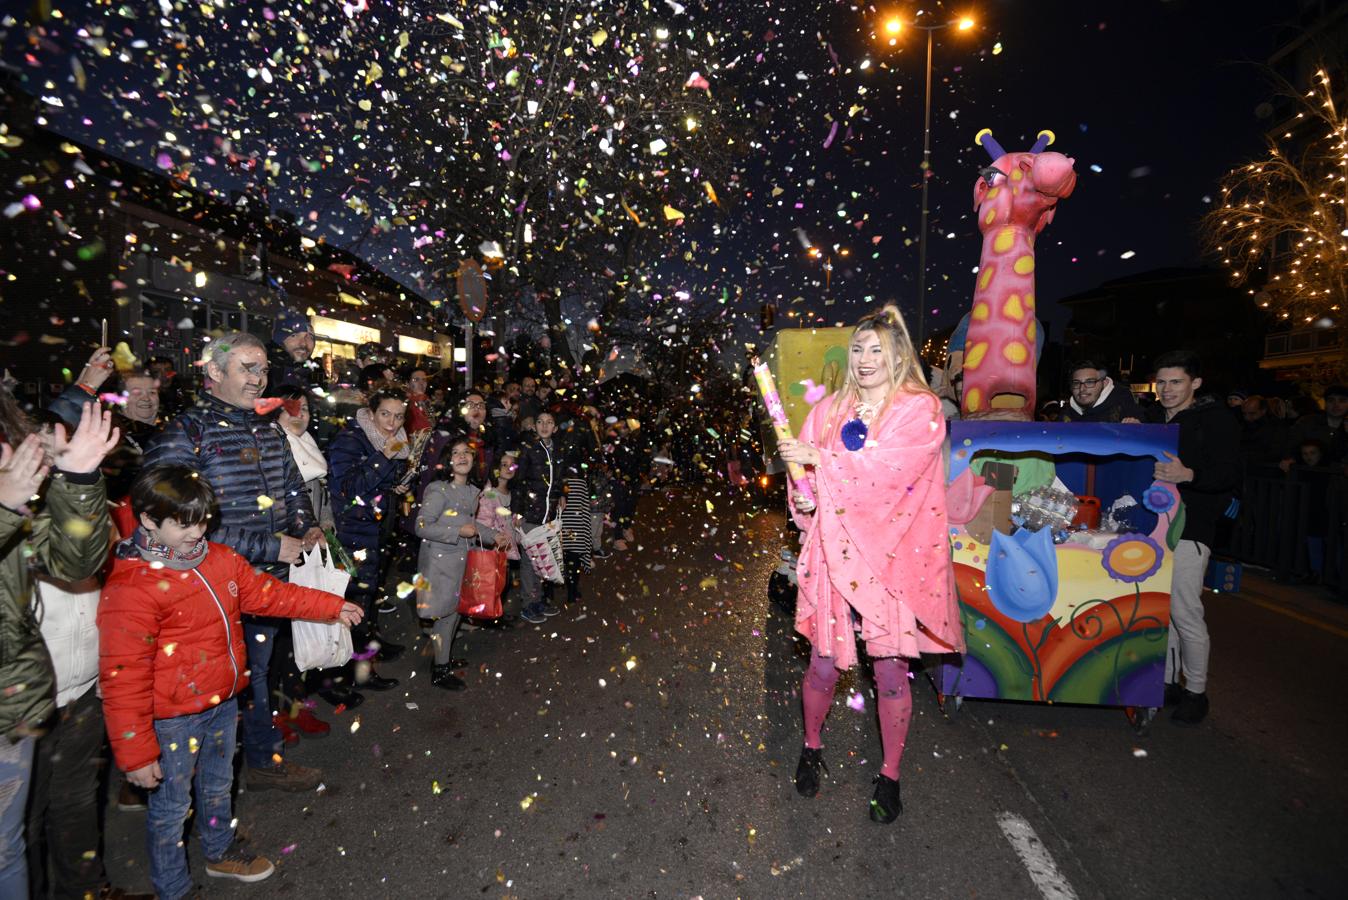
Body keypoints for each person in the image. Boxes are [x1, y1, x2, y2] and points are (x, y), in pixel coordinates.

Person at [98, 465, 363, 900]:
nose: (196, 532)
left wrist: (331, 606)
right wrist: (136, 752)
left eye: (201, 520)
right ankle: (174, 888)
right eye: (182, 523)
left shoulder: (217, 559)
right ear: (148, 519)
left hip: (222, 702)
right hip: (172, 719)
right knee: (170, 809)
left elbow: (270, 594)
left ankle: (220, 852)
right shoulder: (133, 587)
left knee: (219, 784)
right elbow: (122, 675)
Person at [777, 304, 961, 824]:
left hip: (892, 558)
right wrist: (807, 498)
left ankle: (891, 774)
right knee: (822, 662)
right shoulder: (829, 410)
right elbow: (807, 479)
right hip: (835, 554)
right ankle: (811, 746)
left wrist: (823, 463)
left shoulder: (919, 409)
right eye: (858, 348)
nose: (865, 358)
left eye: (878, 349)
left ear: (899, 354)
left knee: (891, 671)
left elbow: (892, 472)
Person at [142, 331, 328, 791]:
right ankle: (215, 782)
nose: (259, 379)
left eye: (263, 369)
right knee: (229, 682)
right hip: (211, 586)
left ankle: (259, 757)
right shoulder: (187, 432)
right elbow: (175, 523)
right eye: (248, 368)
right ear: (214, 371)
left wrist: (305, 525)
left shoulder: (267, 426)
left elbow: (291, 486)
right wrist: (268, 547)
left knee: (256, 673)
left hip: (267, 578)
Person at [0, 397, 117, 897]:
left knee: (68, 805)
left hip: (60, 682)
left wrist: (81, 480)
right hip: (23, 697)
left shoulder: (29, 487)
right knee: (17, 835)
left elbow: (76, 563)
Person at [1144, 350, 1241, 726]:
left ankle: (1196, 692)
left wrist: (1190, 476)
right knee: (1163, 610)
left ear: (1195, 383)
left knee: (1185, 612)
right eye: (1162, 382)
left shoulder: (1216, 421)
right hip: (1156, 528)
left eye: (1176, 382)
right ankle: (1168, 682)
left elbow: (1227, 473)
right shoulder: (1157, 418)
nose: (1167, 390)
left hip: (1193, 528)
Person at [326, 385, 409, 688]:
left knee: (370, 593)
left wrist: (396, 485)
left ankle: (369, 646)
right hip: (353, 533)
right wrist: (384, 458)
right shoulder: (350, 440)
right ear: (371, 413)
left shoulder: (393, 440)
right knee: (355, 599)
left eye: (399, 417)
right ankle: (358, 670)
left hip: (377, 529)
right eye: (385, 414)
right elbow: (348, 489)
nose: (392, 423)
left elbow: (377, 484)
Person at [415, 438, 500, 690]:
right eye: (456, 452)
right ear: (447, 461)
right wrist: (456, 531)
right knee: (445, 616)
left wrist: (495, 536)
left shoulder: (471, 491)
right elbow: (422, 525)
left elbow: (471, 525)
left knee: (453, 615)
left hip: (462, 561)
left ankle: (443, 659)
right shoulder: (439, 489)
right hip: (440, 564)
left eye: (467, 453)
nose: (462, 456)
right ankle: (440, 671)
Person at [513, 410, 563, 624]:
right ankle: (528, 604)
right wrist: (517, 510)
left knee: (544, 558)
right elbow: (519, 480)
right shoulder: (529, 449)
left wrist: (561, 494)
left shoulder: (557, 450)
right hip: (531, 512)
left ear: (555, 427)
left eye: (549, 422)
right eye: (540, 421)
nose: (544, 425)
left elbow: (559, 478)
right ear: (534, 426)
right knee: (530, 561)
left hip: (548, 513)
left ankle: (539, 600)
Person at [476, 447, 520, 620]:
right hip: (494, 547)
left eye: (512, 465)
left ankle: (496, 613)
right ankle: (488, 615)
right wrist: (493, 541)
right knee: (492, 583)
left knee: (503, 582)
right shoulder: (489, 493)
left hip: (507, 546)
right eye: (504, 464)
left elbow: (512, 517)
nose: (509, 468)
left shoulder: (513, 493)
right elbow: (484, 522)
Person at [1280, 385, 1348, 471]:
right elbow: (1291, 444)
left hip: (1338, 479)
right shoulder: (1308, 422)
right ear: (1326, 403)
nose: (1336, 405)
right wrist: (1290, 458)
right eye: (1331, 400)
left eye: (1342, 400)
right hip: (1308, 474)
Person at [1060, 360, 1142, 424]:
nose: (1082, 389)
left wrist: (1136, 429)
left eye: (1090, 382)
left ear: (1104, 383)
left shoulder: (1125, 409)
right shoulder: (1066, 414)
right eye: (1076, 383)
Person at [266, 308, 324, 393]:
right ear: (279, 340)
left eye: (310, 337)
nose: (304, 343)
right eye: (294, 335)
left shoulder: (314, 370)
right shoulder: (264, 367)